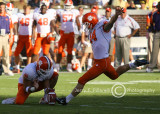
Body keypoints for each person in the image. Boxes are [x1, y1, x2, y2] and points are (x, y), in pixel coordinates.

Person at [56, 7, 149, 105]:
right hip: (103, 61)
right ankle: (134, 64)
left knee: (82, 80)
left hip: (101, 63)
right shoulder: (93, 29)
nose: (85, 26)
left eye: (86, 23)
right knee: (115, 75)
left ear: (90, 22)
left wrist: (116, 15)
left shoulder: (102, 26)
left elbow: (110, 23)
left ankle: (66, 100)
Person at [54, 0, 80, 72]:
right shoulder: (61, 12)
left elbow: (78, 22)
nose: (67, 7)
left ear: (71, 6)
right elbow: (57, 22)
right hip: (62, 33)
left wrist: (79, 31)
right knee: (60, 50)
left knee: (70, 51)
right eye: (66, 5)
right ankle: (57, 66)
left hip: (71, 33)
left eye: (69, 5)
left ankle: (69, 66)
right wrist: (56, 33)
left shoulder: (74, 12)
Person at [13, 5, 34, 73]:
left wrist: (34, 34)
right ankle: (17, 67)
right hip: (21, 36)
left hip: (29, 36)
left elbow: (34, 26)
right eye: (25, 9)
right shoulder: (19, 15)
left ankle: (28, 68)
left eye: (27, 9)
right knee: (16, 52)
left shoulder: (32, 16)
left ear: (29, 9)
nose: (26, 10)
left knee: (29, 52)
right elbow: (16, 24)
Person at [0, 2, 14, 76]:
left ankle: (6, 70)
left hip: (5, 36)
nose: (1, 9)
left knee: (6, 54)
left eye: (2, 7)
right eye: (0, 7)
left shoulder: (7, 17)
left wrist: (11, 37)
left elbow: (11, 27)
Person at [146, 1, 160, 72]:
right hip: (157, 33)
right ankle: (151, 66)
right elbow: (151, 23)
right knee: (154, 50)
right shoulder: (154, 14)